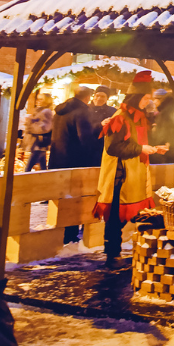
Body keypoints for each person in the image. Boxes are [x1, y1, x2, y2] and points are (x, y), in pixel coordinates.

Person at [95, 72, 167, 268]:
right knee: (115, 217)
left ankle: (126, 251)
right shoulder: (120, 117)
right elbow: (113, 147)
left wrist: (153, 148)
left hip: (135, 172)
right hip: (120, 174)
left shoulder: (138, 117)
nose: (147, 102)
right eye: (145, 98)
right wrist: (141, 149)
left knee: (132, 215)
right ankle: (112, 254)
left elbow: (136, 142)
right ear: (136, 97)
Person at [50, 86, 101, 243]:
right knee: (75, 198)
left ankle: (61, 232)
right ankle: (70, 235)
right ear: (87, 98)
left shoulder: (60, 111)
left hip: (58, 160)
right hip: (76, 161)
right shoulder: (82, 112)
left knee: (62, 198)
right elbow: (84, 138)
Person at [21, 94, 55, 172]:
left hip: (39, 141)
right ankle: (45, 176)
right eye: (38, 99)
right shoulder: (38, 110)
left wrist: (31, 126)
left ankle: (24, 177)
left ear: (46, 101)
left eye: (41, 99)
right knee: (42, 164)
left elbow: (45, 127)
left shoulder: (46, 112)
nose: (38, 101)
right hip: (37, 141)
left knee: (29, 166)